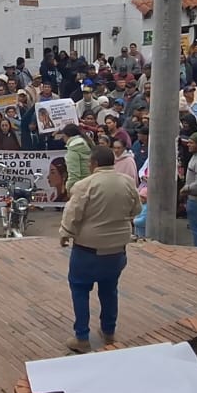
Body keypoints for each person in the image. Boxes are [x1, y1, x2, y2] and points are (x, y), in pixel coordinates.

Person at [58, 146, 137, 353]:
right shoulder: (127, 182)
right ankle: (109, 331)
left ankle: (82, 337)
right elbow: (136, 209)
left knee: (80, 290)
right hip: (117, 249)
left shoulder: (85, 185)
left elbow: (72, 214)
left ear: (92, 164)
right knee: (110, 290)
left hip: (88, 250)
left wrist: (65, 234)